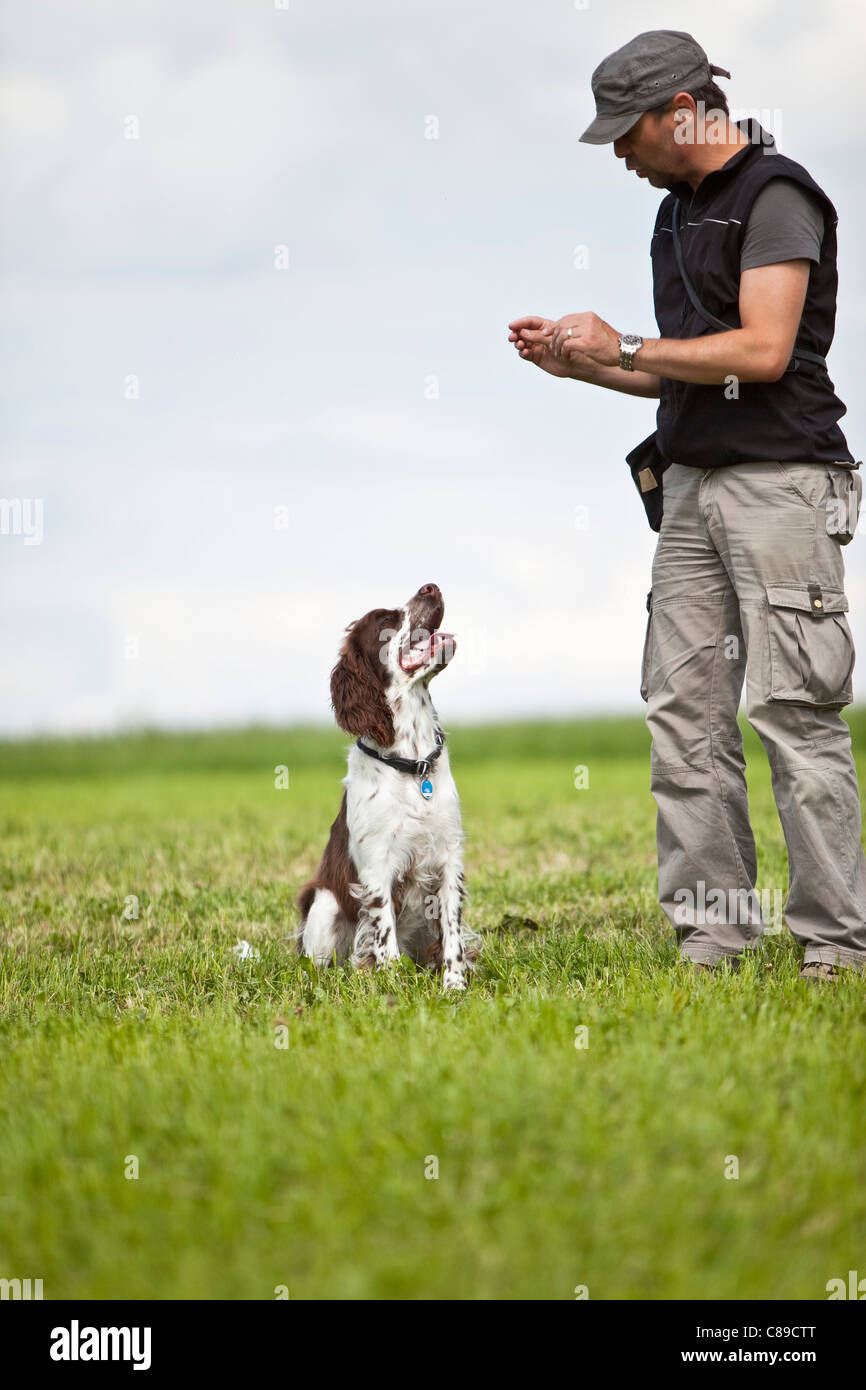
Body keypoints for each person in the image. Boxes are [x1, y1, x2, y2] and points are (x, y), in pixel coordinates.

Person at [508, 29, 865, 981]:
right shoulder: (674, 213)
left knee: (793, 715)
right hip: (694, 488)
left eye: (626, 133)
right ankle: (717, 939)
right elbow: (683, 375)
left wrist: (623, 342)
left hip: (782, 487)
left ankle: (835, 951)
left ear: (681, 112)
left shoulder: (777, 196)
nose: (620, 155)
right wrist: (582, 364)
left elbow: (762, 353)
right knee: (684, 717)